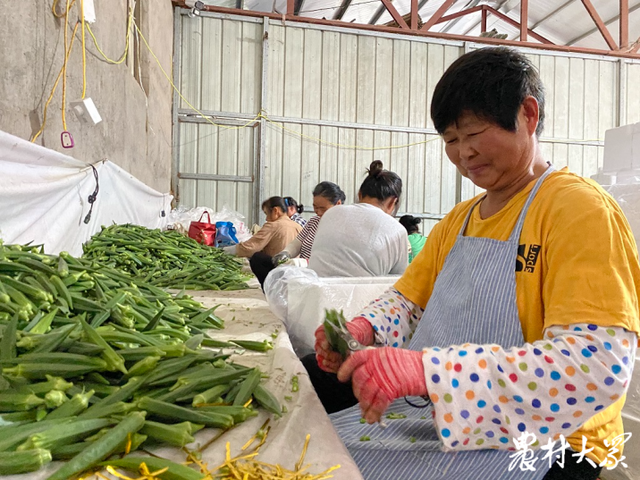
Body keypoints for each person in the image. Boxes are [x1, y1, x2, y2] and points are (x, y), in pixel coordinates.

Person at [308, 47, 639, 480]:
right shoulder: (460, 221)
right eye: (450, 140)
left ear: (528, 115)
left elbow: (597, 365)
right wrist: (364, 329)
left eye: (474, 133)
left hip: (554, 443)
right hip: (446, 420)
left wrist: (427, 371)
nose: (463, 154)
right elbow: (407, 302)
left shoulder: (578, 210)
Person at [308, 160, 408, 278]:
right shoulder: (397, 230)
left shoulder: (331, 213)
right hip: (363, 295)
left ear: (360, 194)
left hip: (314, 292)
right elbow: (399, 280)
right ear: (393, 202)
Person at [251, 182, 346, 287]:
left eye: (323, 208)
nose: (318, 212)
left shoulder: (343, 228)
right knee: (258, 259)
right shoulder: (314, 221)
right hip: (298, 272)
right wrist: (286, 253)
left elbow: (331, 261)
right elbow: (298, 242)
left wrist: (301, 263)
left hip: (320, 277)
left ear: (337, 204)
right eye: (315, 207)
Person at [225, 197, 301, 261]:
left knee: (257, 257)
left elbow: (250, 248)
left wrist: (224, 251)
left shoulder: (273, 225)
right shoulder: (298, 227)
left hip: (276, 269)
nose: (266, 218)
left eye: (267, 213)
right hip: (294, 269)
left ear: (275, 211)